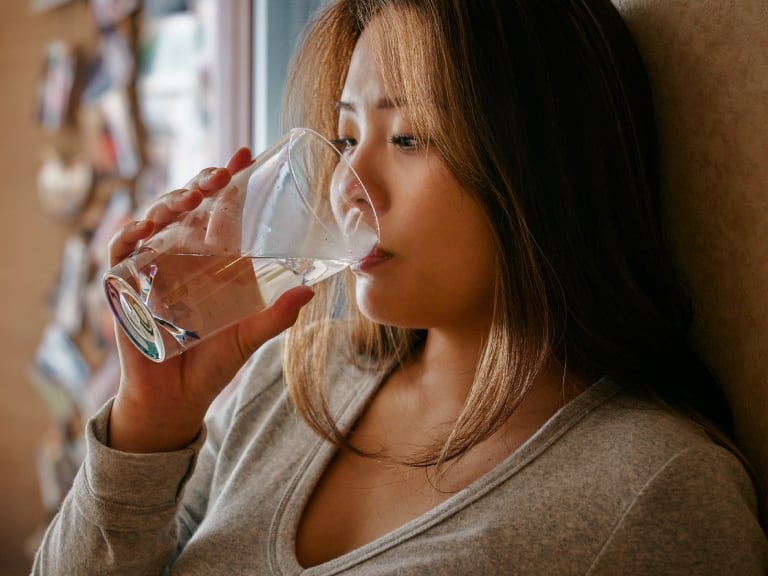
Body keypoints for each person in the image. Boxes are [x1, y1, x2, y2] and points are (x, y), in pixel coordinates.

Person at [32, 0, 768, 573]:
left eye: (410, 139)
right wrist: (148, 425)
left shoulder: (657, 492)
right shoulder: (293, 381)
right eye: (348, 139)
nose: (349, 188)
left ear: (542, 166)